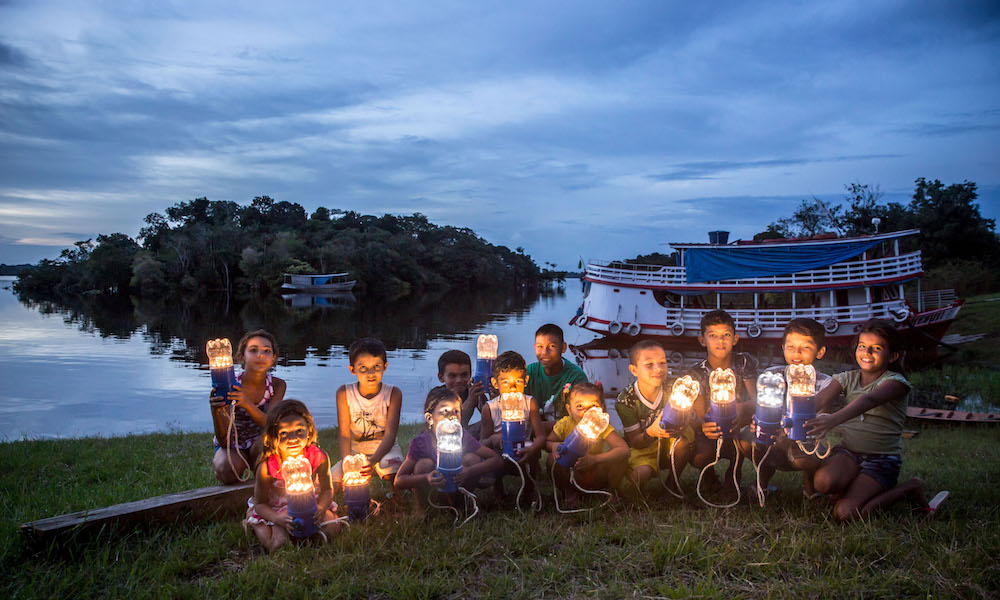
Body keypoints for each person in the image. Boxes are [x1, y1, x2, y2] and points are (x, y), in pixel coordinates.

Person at [807, 320, 948, 521]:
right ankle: (852, 484)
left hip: (881, 460)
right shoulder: (846, 378)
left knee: (847, 513)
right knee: (822, 484)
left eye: (877, 348)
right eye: (862, 346)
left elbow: (869, 400)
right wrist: (788, 416)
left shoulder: (895, 383)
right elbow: (819, 399)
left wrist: (833, 420)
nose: (867, 352)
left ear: (892, 356)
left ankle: (910, 487)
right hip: (848, 453)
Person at [752, 318, 834, 499]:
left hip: (805, 444)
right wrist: (757, 422)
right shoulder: (772, 376)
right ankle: (761, 486)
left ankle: (809, 489)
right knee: (749, 440)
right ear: (783, 347)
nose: (797, 353)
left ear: (820, 352)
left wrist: (791, 435)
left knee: (807, 456)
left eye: (805, 347)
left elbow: (820, 421)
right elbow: (760, 409)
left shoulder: (826, 383)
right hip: (772, 438)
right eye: (790, 346)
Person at [245, 399, 341, 552]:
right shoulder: (267, 466)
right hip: (276, 510)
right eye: (284, 433)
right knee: (278, 544)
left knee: (332, 528)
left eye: (299, 431)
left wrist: (322, 507)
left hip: (311, 505)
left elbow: (327, 490)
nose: (292, 439)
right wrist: (277, 519)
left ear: (308, 431)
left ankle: (310, 535)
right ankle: (254, 522)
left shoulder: (319, 458)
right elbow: (260, 503)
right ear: (273, 435)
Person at [394, 387, 502, 513]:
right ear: (430, 418)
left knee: (472, 459)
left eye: (456, 411)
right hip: (432, 490)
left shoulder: (463, 437)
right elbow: (399, 481)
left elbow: (496, 460)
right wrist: (427, 478)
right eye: (445, 411)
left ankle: (462, 504)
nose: (452, 417)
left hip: (457, 485)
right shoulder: (421, 443)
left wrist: (469, 471)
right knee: (424, 464)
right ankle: (423, 510)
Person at [686, 310, 757, 498]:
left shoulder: (743, 362)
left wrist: (743, 409)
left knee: (744, 442)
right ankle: (708, 476)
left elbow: (756, 400)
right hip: (713, 426)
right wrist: (705, 424)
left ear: (735, 338)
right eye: (713, 336)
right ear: (702, 340)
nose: (720, 341)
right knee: (700, 455)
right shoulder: (697, 373)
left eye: (726, 335)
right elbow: (700, 415)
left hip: (739, 424)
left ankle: (734, 476)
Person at [615, 340, 695, 501]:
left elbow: (687, 419)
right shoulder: (625, 401)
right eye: (649, 365)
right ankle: (627, 481)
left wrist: (683, 421)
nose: (658, 369)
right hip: (642, 447)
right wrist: (651, 431)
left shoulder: (674, 389)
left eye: (662, 362)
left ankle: (672, 486)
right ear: (634, 370)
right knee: (635, 482)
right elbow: (636, 441)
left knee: (685, 438)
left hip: (668, 442)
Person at [210, 330, 287, 484]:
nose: (260, 355)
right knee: (227, 470)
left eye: (267, 351)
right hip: (231, 444)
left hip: (260, 442)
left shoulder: (277, 385)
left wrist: (245, 402)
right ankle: (242, 465)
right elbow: (224, 440)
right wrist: (215, 412)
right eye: (253, 350)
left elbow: (270, 424)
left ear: (273, 359)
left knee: (273, 455)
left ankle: (258, 466)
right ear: (241, 357)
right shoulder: (229, 385)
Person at [331, 338, 403, 489]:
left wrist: (372, 461)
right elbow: (344, 434)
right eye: (363, 368)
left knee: (393, 475)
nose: (370, 373)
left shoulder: (393, 393)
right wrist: (347, 462)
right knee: (333, 483)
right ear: (352, 369)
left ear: (385, 366)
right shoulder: (344, 393)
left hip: (386, 450)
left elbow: (390, 435)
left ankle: (384, 474)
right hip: (356, 452)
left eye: (376, 366)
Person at [547, 382, 629, 508]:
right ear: (569, 409)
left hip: (597, 472)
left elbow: (624, 450)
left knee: (619, 458)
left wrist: (595, 459)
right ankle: (569, 492)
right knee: (552, 459)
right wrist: (554, 446)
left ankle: (611, 491)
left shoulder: (602, 427)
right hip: (572, 473)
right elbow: (548, 442)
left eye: (593, 406)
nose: (586, 411)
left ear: (601, 408)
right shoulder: (564, 424)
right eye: (580, 406)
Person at [525, 324, 588, 421]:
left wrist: (537, 427)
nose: (544, 352)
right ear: (534, 347)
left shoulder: (576, 377)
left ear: (563, 347)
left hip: (564, 433)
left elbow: (579, 420)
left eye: (551, 346)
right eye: (540, 346)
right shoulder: (529, 372)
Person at [433, 349, 487, 438]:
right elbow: (452, 425)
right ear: (441, 377)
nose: (459, 380)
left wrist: (493, 400)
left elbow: (490, 418)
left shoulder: (471, 391)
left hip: (464, 435)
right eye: (452, 376)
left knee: (488, 424)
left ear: (470, 375)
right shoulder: (437, 395)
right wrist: (470, 400)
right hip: (442, 437)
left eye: (464, 375)